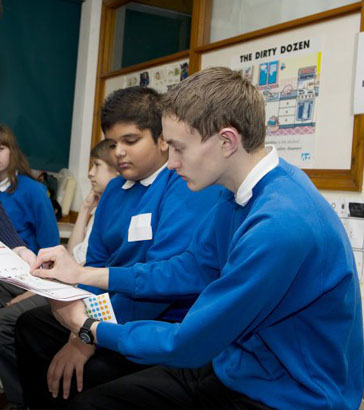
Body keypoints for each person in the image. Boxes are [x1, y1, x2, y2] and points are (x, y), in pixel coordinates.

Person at [23, 67, 363, 410]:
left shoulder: (280, 224)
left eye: (178, 148)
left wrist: (87, 327)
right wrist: (84, 274)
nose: (170, 163)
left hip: (292, 397)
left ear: (227, 141)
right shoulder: (237, 192)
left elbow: (188, 343)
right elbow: (191, 268)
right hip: (236, 368)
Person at [15, 86, 221, 409]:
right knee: (30, 326)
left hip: (157, 320)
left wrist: (87, 335)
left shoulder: (181, 186)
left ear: (161, 139)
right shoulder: (112, 193)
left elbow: (158, 288)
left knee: (88, 377)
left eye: (131, 141)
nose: (119, 153)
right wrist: (79, 322)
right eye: (113, 144)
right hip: (106, 309)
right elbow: (93, 264)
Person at [67, 139, 118, 265]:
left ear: (117, 170)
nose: (90, 173)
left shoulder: (116, 211)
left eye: (97, 165)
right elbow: (72, 256)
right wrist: (85, 208)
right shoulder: (100, 206)